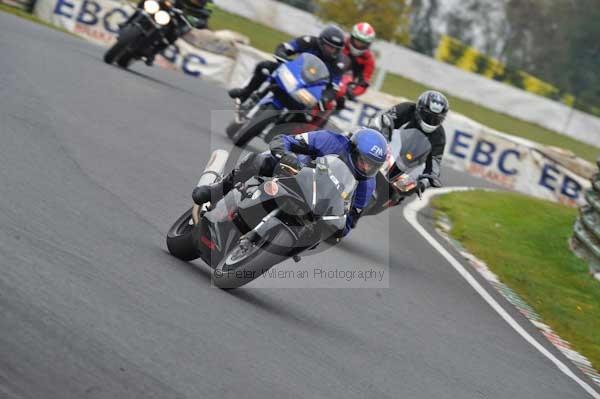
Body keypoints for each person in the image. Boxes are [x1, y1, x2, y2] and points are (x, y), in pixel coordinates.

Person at [192, 128, 388, 236]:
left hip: (316, 208)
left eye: (372, 166)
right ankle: (217, 190)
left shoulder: (367, 185)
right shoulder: (330, 140)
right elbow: (284, 140)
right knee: (262, 160)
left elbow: (350, 221)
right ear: (352, 149)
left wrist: (336, 228)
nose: (366, 168)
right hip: (294, 175)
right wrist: (285, 156)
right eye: (363, 161)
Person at [227, 25, 348, 105]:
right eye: (329, 46)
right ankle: (246, 92)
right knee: (264, 67)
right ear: (321, 41)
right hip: (293, 71)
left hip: (310, 87)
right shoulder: (308, 41)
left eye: (335, 48)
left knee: (308, 114)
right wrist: (282, 54)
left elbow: (334, 86)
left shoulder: (339, 63)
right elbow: (286, 47)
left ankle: (288, 133)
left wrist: (325, 98)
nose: (331, 50)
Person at [369, 90, 449, 196]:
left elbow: (435, 166)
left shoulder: (439, 136)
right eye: (427, 116)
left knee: (400, 193)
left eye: (436, 119)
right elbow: (384, 120)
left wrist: (423, 183)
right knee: (360, 141)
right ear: (419, 109)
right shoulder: (406, 109)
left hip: (407, 167)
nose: (431, 121)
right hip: (384, 150)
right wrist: (382, 138)